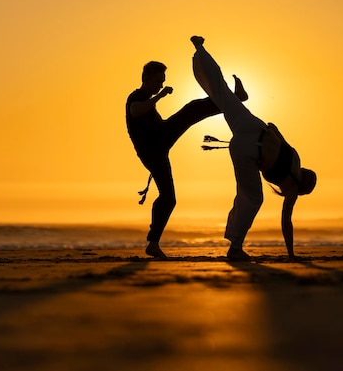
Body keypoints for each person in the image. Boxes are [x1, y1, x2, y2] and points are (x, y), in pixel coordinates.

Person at [190, 36, 317, 261]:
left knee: (224, 95)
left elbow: (274, 128)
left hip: (254, 129)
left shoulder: (295, 157)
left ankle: (200, 49)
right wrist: (291, 254)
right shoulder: (291, 187)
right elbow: (286, 221)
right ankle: (235, 247)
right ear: (304, 187)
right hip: (246, 150)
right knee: (251, 197)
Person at [126, 59, 248, 258]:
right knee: (191, 110)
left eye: (163, 82)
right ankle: (235, 99)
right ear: (146, 78)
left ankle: (153, 244)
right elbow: (135, 111)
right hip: (154, 145)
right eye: (158, 81)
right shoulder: (136, 96)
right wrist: (160, 97)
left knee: (167, 198)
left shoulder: (145, 97)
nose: (161, 86)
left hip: (159, 145)